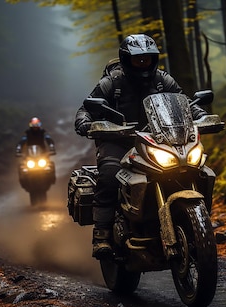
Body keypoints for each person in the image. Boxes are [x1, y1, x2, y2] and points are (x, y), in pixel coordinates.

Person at [74, 34, 209, 259]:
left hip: (157, 140)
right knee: (109, 174)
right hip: (118, 141)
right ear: (126, 60)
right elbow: (85, 108)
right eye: (138, 60)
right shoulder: (112, 83)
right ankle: (102, 234)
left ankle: (198, 224)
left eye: (147, 59)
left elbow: (183, 102)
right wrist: (85, 122)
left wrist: (201, 115)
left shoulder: (162, 80)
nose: (143, 63)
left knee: (197, 167)